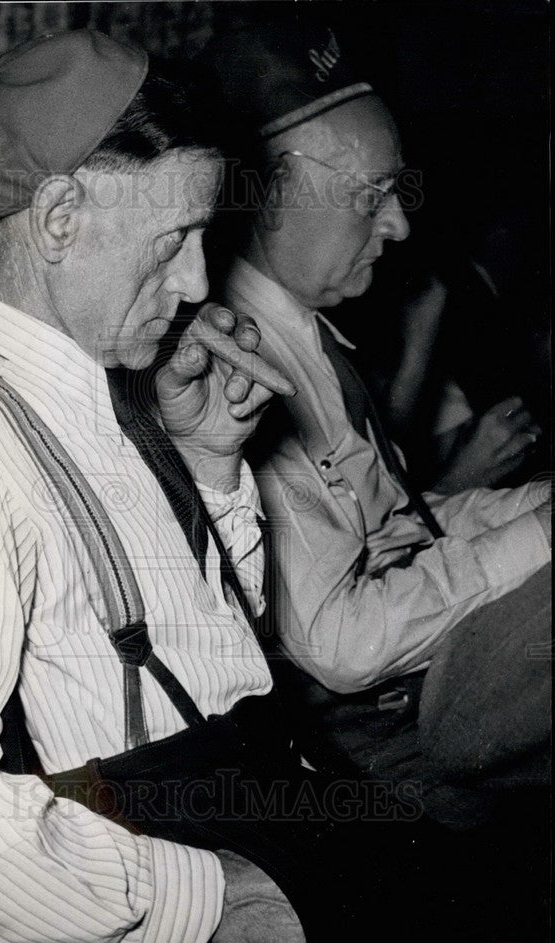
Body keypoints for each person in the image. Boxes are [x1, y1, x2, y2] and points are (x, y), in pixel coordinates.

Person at [0, 29, 497, 943]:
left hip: (263, 795)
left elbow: (192, 656)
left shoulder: (88, 379)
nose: (193, 285)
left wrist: (212, 469)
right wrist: (212, 901)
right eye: (174, 242)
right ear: (57, 218)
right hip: (179, 888)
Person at [208, 24, 551, 826]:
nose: (397, 225)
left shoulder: (312, 337)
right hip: (382, 739)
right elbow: (343, 641)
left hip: (424, 691)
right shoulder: (246, 372)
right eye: (371, 196)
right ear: (268, 193)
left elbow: (401, 532)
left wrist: (529, 510)